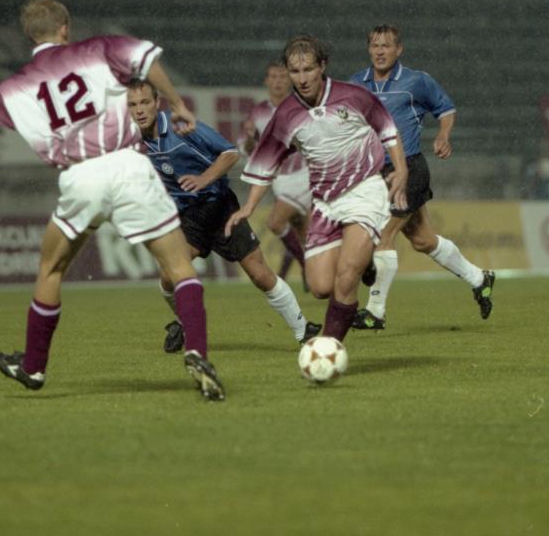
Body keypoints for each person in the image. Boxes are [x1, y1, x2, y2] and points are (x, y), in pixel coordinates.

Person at [0, 0, 224, 401]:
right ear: (65, 27)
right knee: (178, 265)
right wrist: (177, 104)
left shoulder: (17, 86)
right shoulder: (99, 48)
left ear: (29, 36)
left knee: (51, 269)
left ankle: (34, 366)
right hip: (128, 165)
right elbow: (146, 60)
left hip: (80, 176)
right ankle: (197, 353)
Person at [225, 36, 408, 343]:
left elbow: (388, 130)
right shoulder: (286, 114)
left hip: (365, 190)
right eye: (295, 71)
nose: (302, 78)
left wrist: (401, 169)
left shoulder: (353, 95)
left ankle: (328, 348)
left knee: (346, 277)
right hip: (324, 202)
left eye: (308, 69)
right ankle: (365, 263)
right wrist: (249, 207)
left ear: (322, 66)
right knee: (321, 287)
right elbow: (264, 164)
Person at [127, 80, 320, 352]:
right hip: (187, 216)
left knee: (260, 274)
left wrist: (204, 178)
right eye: (133, 105)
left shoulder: (181, 125)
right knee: (168, 276)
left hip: (220, 207)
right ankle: (185, 323)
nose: (139, 110)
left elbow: (229, 153)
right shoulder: (130, 141)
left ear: (157, 103)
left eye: (145, 102)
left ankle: (303, 331)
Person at [349, 25, 495, 331]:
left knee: (382, 237)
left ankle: (375, 312)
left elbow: (446, 108)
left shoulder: (416, 81)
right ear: (368, 49)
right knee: (423, 240)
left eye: (386, 45)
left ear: (399, 49)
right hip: (374, 175)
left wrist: (443, 134)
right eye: (375, 45)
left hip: (409, 170)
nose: (380, 51)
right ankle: (479, 278)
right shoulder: (356, 84)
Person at [237, 62, 310, 288]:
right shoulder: (258, 112)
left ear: (289, 80)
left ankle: (305, 267)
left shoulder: (301, 106)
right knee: (301, 234)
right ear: (266, 81)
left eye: (282, 76)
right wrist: (251, 139)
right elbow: (246, 149)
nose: (278, 81)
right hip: (279, 180)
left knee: (276, 222)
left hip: (304, 174)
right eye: (274, 77)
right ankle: (314, 273)